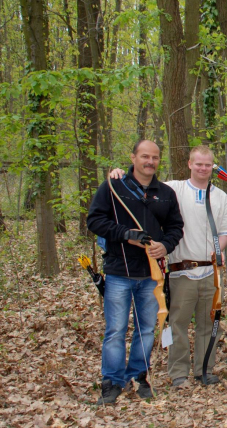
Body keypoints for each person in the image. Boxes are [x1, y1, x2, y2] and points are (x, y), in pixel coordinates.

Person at [108, 146, 227, 387]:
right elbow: (141, 187)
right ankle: (178, 373)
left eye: (207, 165)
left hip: (210, 272)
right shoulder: (172, 190)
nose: (203, 168)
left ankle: (204, 370)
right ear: (189, 164)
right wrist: (119, 175)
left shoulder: (220, 197)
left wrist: (218, 248)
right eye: (198, 164)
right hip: (181, 271)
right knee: (177, 324)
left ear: (212, 167)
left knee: (209, 324)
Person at [87, 140, 184, 404]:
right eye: (144, 156)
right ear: (133, 157)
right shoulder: (113, 187)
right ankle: (112, 382)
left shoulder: (164, 192)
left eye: (154, 157)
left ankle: (139, 376)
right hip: (119, 271)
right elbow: (95, 220)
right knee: (116, 330)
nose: (149, 162)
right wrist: (125, 235)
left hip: (152, 276)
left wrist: (165, 245)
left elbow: (176, 227)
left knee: (146, 330)